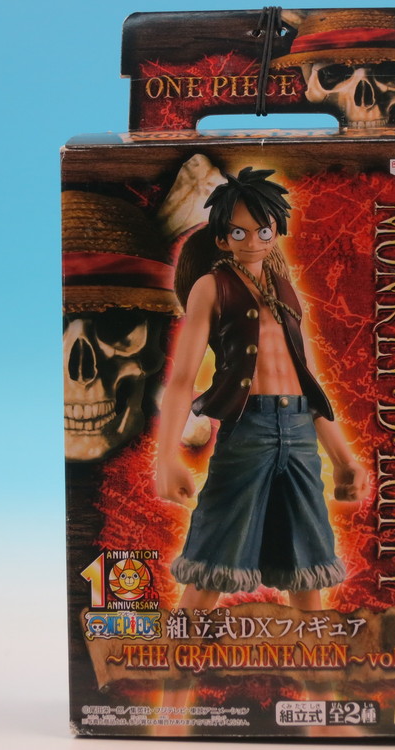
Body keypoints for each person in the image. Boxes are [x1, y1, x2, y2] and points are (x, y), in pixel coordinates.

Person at [156, 166, 366, 613]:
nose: (252, 240)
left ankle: (316, 658)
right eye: (239, 231)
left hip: (300, 432)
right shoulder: (211, 287)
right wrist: (166, 458)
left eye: (263, 230)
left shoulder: (285, 290)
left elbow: (309, 382)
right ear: (221, 239)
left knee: (307, 561)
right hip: (248, 431)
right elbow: (181, 380)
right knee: (212, 558)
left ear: (275, 232)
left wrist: (343, 458)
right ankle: (177, 654)